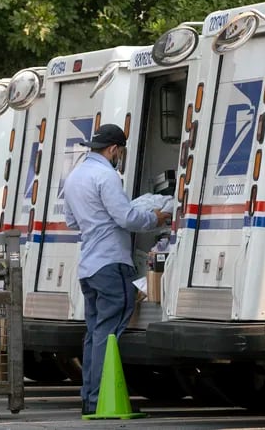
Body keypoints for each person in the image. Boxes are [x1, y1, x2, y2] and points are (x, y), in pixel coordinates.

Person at [62, 123, 172, 416]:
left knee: (94, 333)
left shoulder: (75, 177)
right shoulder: (106, 176)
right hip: (110, 263)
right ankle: (100, 400)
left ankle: (90, 397)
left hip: (88, 266)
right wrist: (156, 217)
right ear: (113, 149)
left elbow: (71, 221)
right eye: (120, 151)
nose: (119, 156)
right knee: (108, 334)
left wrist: (97, 222)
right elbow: (127, 218)